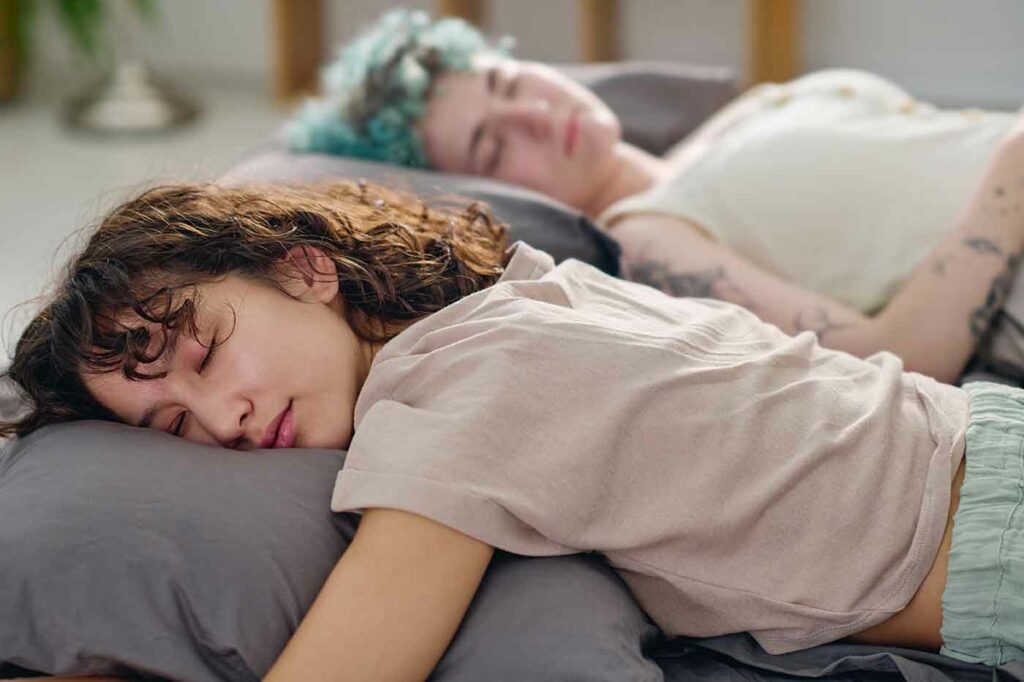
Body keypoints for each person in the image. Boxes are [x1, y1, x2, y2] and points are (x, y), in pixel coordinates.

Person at [1, 177, 1022, 679]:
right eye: (172, 424)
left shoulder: (461, 398)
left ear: (303, 267)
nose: (220, 420)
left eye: (208, 353)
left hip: (990, 536)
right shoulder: (505, 293)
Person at [286, 9, 1024, 385]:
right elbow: (890, 358)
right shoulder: (647, 240)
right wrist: (1002, 194)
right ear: (487, 189)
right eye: (494, 143)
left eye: (512, 84)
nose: (538, 117)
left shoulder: (740, 115)